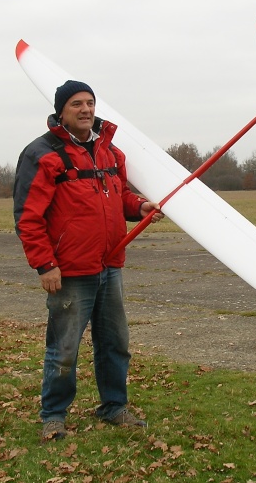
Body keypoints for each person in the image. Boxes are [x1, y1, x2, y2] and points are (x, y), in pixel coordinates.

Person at [13, 80, 163, 442]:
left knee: (115, 342)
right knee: (64, 347)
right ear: (61, 111)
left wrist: (139, 206)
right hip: (70, 272)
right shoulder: (42, 154)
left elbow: (119, 194)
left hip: (110, 264)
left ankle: (114, 407)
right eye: (77, 104)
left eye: (90, 103)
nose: (85, 109)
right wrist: (45, 265)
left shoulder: (108, 151)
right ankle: (53, 415)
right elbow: (27, 217)